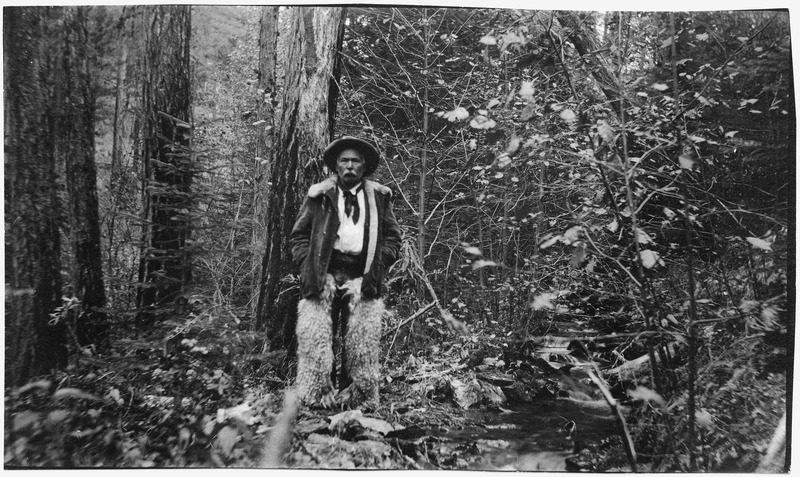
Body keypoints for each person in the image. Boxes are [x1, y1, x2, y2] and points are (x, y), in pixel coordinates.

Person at [290, 136, 402, 408]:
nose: (350, 166)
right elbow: (299, 236)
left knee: (362, 339)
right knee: (315, 335)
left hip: (361, 275)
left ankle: (356, 394)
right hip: (323, 273)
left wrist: (375, 270)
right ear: (336, 166)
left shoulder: (379, 197)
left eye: (356, 161)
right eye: (344, 161)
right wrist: (311, 268)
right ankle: (317, 393)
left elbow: (393, 239)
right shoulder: (319, 196)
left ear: (364, 167)